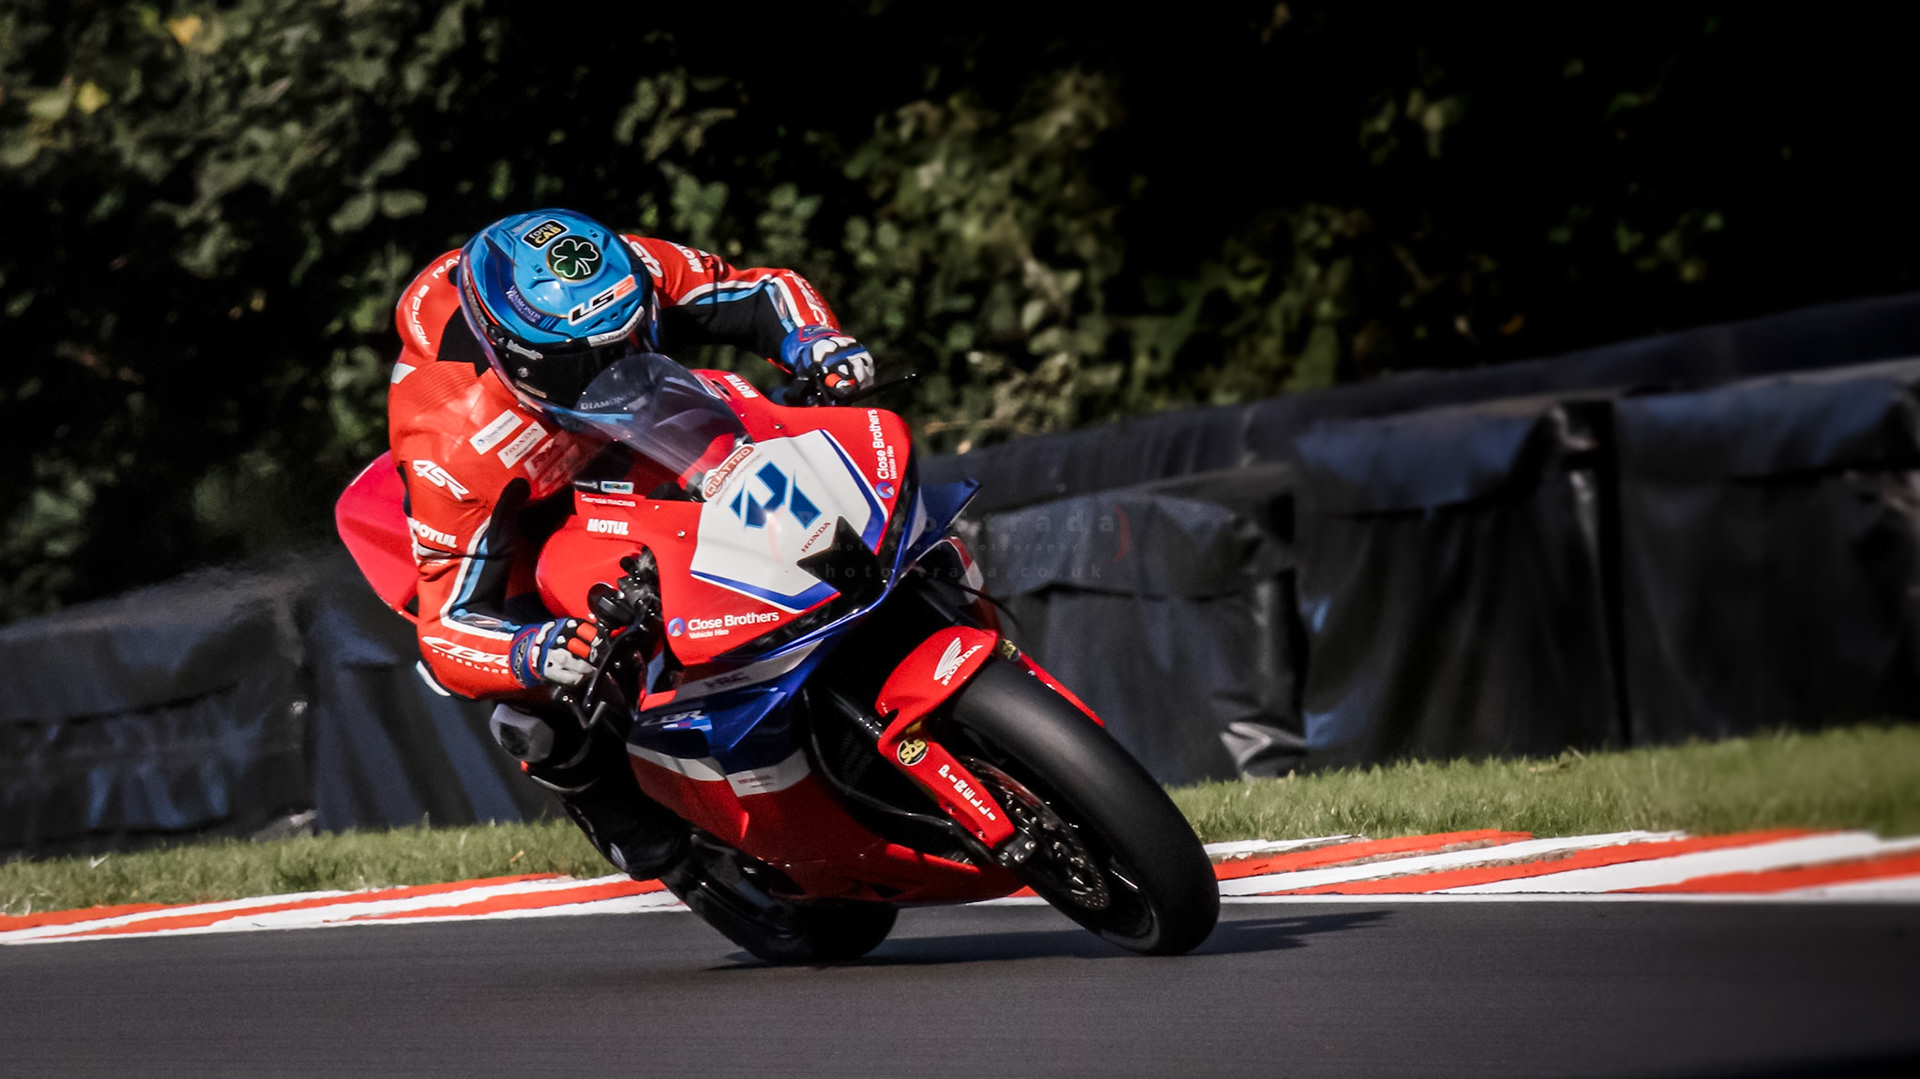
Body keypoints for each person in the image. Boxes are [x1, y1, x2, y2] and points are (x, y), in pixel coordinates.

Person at [386, 208, 875, 877]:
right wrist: (531, 653)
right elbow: (445, 632)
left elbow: (760, 291)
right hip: (523, 520)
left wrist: (816, 342)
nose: (613, 362)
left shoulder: (620, 274)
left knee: (776, 448)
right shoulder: (450, 440)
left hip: (651, 421)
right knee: (550, 694)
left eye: (629, 337)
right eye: (588, 361)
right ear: (515, 359)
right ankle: (589, 787)